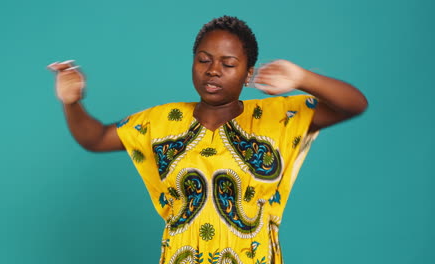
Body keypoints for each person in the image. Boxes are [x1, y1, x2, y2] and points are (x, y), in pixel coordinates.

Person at [48, 16, 367, 264]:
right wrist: (72, 101)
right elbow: (95, 138)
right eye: (204, 60)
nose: (213, 70)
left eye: (228, 64)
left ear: (247, 73)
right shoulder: (160, 121)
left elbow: (354, 104)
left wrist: (302, 78)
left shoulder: (278, 117)